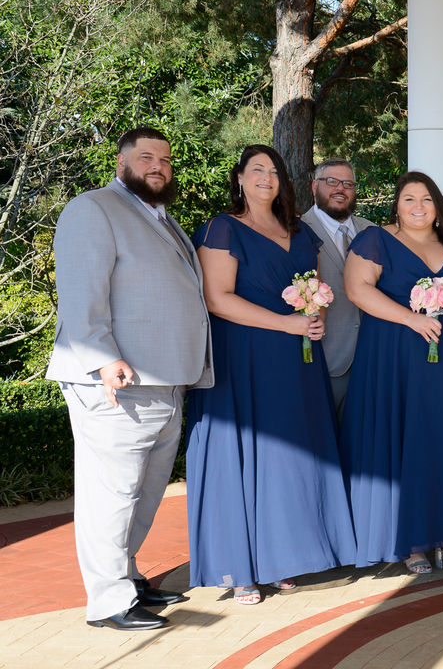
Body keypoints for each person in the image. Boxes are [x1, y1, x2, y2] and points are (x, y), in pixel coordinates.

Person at [48, 127, 211, 630]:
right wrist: (101, 359)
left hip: (165, 378)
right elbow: (81, 292)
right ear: (121, 163)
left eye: (164, 158)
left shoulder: (163, 218)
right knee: (112, 491)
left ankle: (126, 576)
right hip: (115, 380)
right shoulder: (93, 209)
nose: (158, 165)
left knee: (144, 492)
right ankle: (108, 601)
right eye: (146, 157)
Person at [187, 144, 355, 605]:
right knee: (247, 455)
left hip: (298, 358)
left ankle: (285, 557)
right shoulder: (222, 229)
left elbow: (314, 292)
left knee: (289, 458)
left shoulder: (301, 233)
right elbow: (217, 298)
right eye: (257, 170)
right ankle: (241, 569)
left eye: (274, 171)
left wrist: (314, 314)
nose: (267, 178)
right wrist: (287, 322)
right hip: (244, 356)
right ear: (239, 177)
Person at [342, 171, 443, 575]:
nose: (418, 207)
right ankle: (411, 544)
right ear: (396, 203)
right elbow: (358, 290)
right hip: (394, 362)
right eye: (409, 199)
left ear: (438, 206)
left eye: (426, 199)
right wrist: (410, 320)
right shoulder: (375, 239)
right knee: (407, 445)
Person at [301, 158, 376, 413]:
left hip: (371, 358)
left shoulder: (373, 232)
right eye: (331, 181)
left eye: (348, 183)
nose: (340, 188)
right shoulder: (296, 231)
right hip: (324, 357)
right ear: (314, 187)